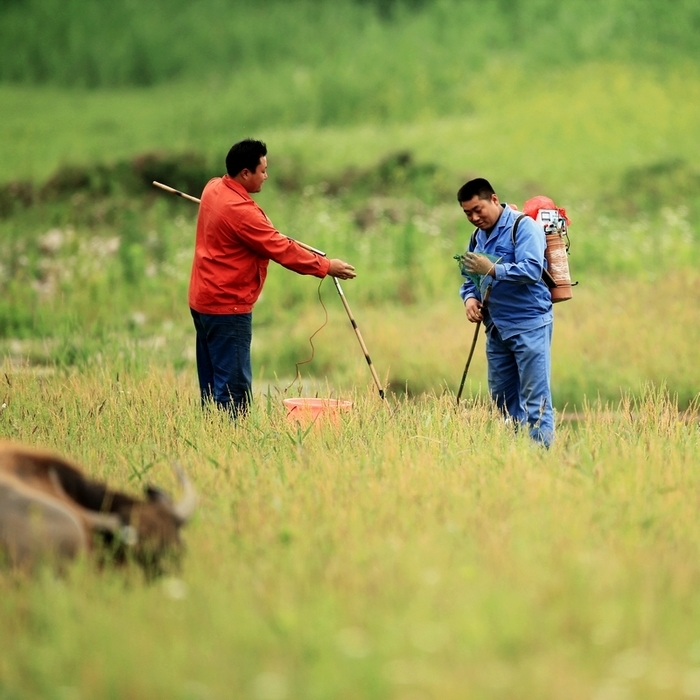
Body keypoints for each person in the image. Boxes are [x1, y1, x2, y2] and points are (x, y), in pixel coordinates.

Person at [188, 138, 356, 416]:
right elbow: (282, 250)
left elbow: (265, 238)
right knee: (234, 388)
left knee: (212, 383)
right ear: (245, 173)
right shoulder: (242, 212)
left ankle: (212, 431)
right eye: (262, 170)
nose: (266, 175)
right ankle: (233, 440)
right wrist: (326, 266)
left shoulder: (213, 187)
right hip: (227, 305)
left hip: (202, 300)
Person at [457, 178, 554, 446]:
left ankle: (541, 459)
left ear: (494, 199)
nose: (474, 217)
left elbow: (533, 270)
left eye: (478, 210)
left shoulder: (524, 228)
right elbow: (470, 278)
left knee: (537, 400)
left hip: (529, 324)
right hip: (496, 327)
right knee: (501, 398)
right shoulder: (477, 236)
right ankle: (516, 451)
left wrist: (493, 269)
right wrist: (469, 299)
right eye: (468, 214)